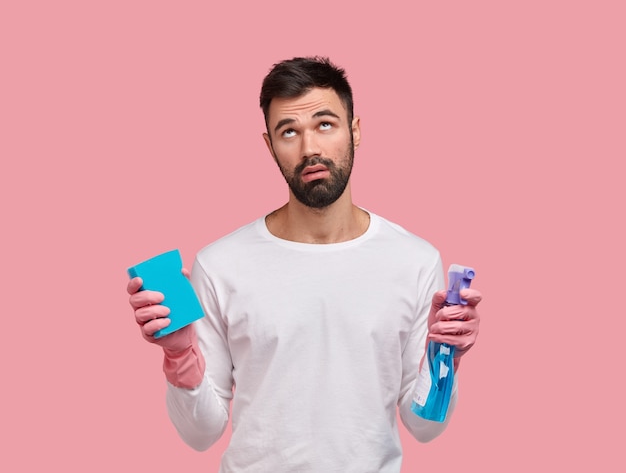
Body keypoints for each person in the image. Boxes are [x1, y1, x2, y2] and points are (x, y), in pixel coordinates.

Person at [127, 56, 482, 473]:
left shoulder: (415, 260)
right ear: (270, 145)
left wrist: (445, 355)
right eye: (289, 131)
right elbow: (201, 434)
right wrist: (179, 353)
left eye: (325, 125)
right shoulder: (220, 264)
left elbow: (423, 427)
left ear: (355, 131)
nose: (310, 148)